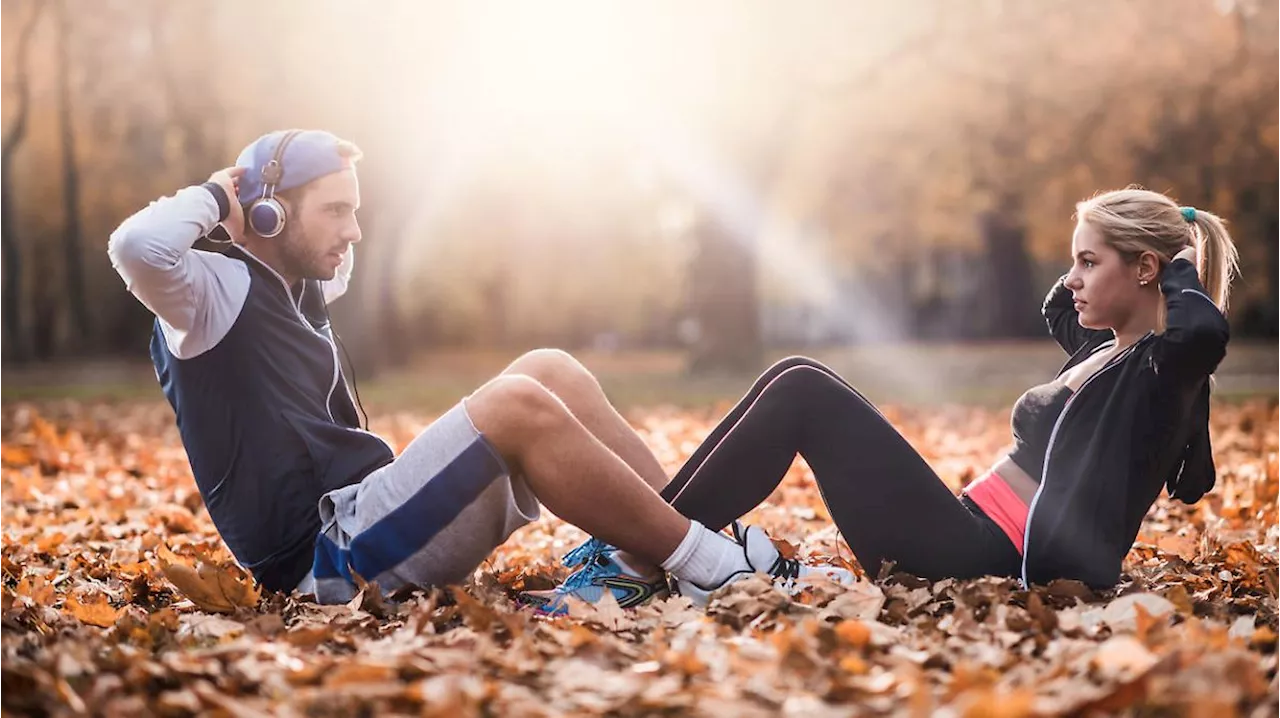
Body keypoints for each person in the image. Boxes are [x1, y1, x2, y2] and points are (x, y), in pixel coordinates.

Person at [109, 129, 852, 608]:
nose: (354, 231)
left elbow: (322, 252)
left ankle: (659, 547)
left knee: (548, 368)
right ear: (268, 213)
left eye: (356, 210)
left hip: (364, 511)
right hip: (320, 565)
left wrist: (304, 184)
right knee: (513, 405)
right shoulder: (203, 296)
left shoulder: (298, 281)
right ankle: (714, 568)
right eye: (336, 210)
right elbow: (136, 247)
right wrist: (222, 195)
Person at [529, 186, 1237, 611]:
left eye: (1089, 261)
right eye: (1073, 259)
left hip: (990, 562)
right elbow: (1063, 308)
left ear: (1148, 270)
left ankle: (635, 558)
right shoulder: (1106, 351)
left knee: (804, 391)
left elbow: (1202, 330)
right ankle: (639, 543)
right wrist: (1118, 244)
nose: (1073, 277)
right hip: (966, 529)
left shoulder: (1158, 378)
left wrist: (1176, 262)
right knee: (798, 368)